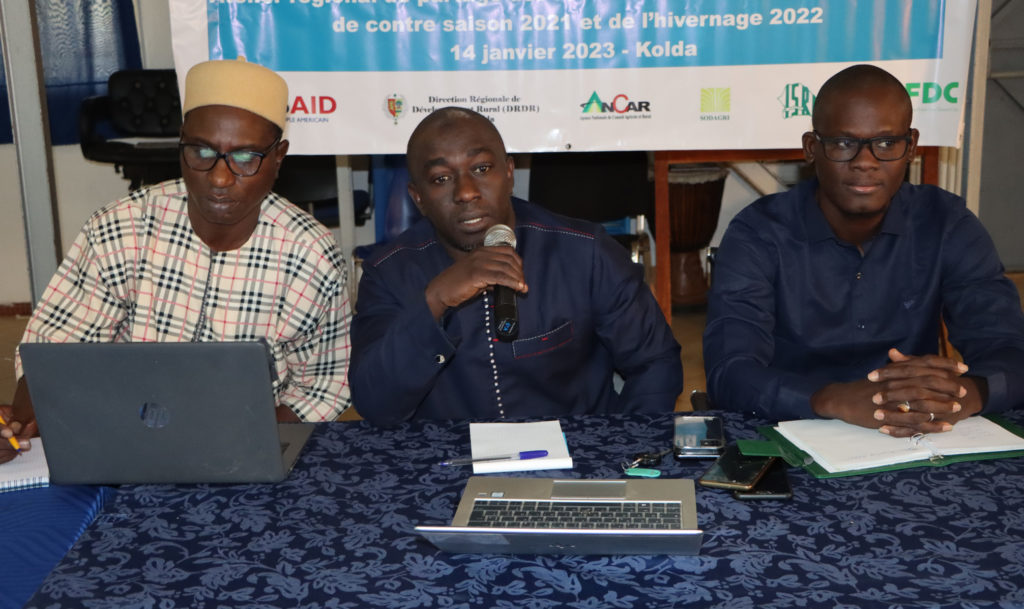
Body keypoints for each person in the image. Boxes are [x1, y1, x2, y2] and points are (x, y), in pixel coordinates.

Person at [0, 58, 351, 464]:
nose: (219, 178)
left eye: (245, 157)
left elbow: (323, 386)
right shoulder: (121, 228)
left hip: (249, 450)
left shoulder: (311, 256)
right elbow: (56, 351)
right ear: (180, 144)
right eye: (202, 151)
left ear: (278, 157)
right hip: (121, 443)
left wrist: (236, 442)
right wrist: (20, 423)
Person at [703, 64, 1024, 437]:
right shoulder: (758, 234)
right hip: (791, 431)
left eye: (887, 143)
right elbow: (730, 372)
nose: (865, 161)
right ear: (812, 148)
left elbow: (1008, 348)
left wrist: (963, 395)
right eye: (844, 142)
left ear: (911, 147)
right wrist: (832, 399)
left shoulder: (946, 224)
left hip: (915, 433)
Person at [350, 107, 682, 425]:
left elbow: (655, 363)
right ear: (417, 197)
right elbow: (376, 405)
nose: (466, 192)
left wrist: (617, 451)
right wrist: (434, 301)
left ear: (508, 174)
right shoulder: (389, 274)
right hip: (448, 468)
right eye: (440, 178)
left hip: (574, 462)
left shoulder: (585, 253)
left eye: (481, 168)